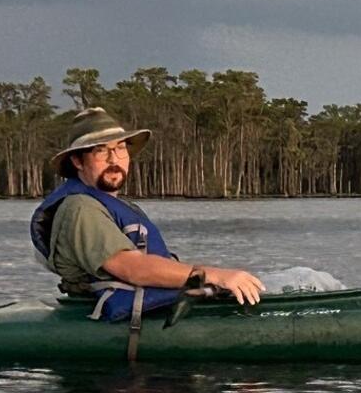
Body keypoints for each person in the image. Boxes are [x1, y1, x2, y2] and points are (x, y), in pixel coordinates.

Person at [29, 107, 265, 323]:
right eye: (101, 151)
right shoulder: (80, 208)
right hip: (109, 318)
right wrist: (214, 275)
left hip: (147, 309)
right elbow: (132, 268)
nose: (114, 160)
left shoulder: (117, 205)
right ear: (78, 161)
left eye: (120, 148)